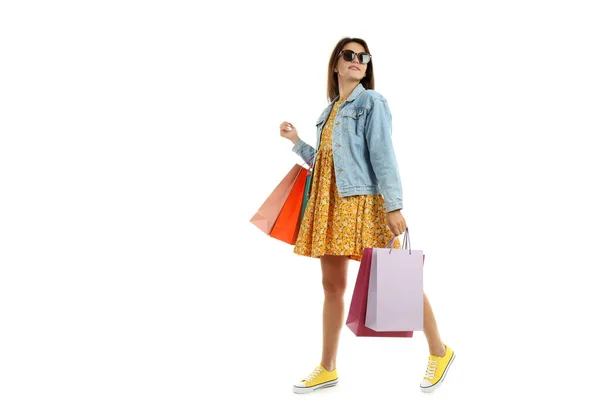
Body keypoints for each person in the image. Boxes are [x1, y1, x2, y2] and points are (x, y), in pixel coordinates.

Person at [279, 37, 455, 394]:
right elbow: (325, 165)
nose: (357, 60)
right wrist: (297, 141)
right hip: (330, 206)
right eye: (350, 55)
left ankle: (440, 351)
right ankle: (327, 367)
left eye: (363, 56)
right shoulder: (328, 112)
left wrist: (394, 205)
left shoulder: (371, 102)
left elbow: (383, 154)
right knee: (332, 287)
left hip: (363, 204)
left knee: (396, 279)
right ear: (336, 64)